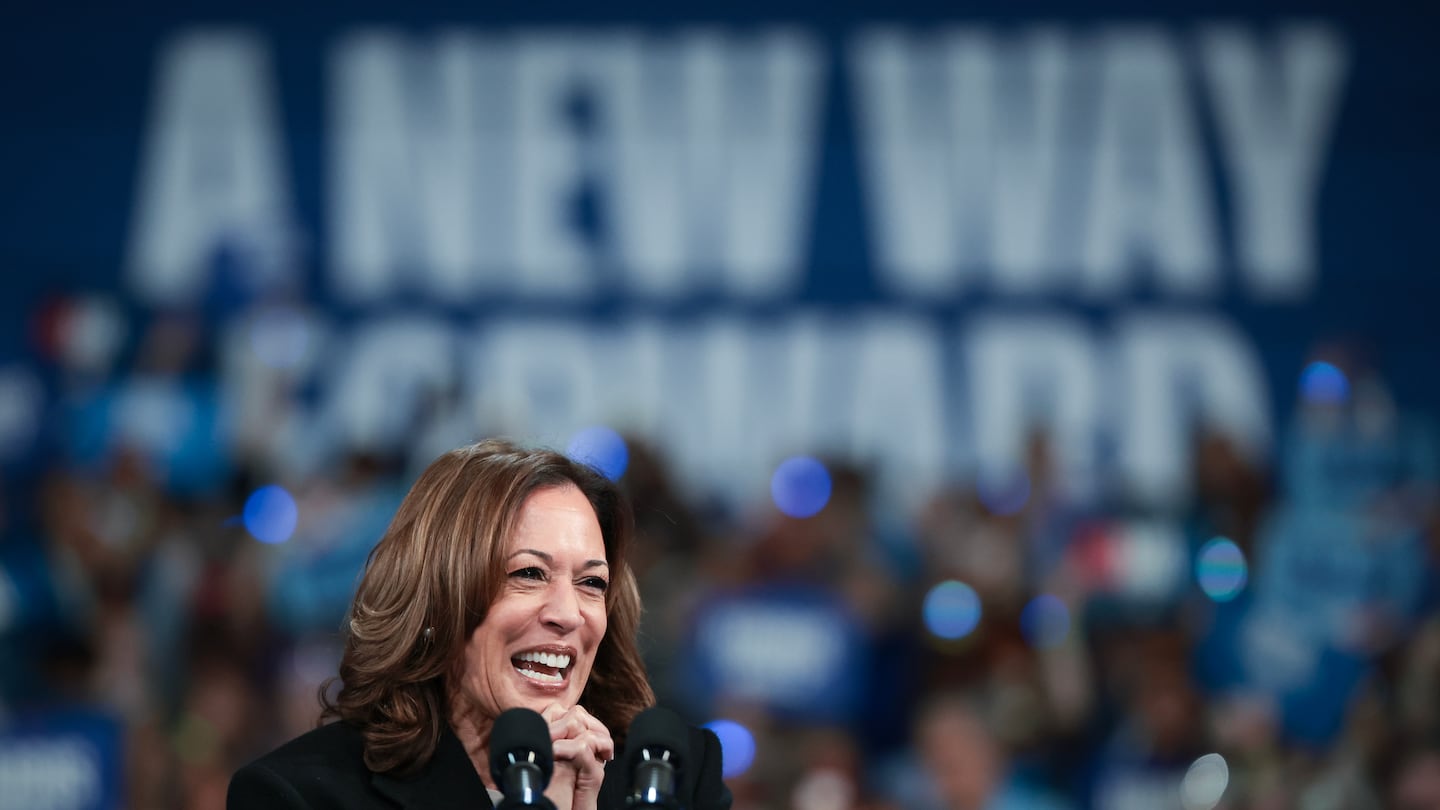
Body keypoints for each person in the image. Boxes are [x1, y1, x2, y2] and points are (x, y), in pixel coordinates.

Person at [227, 439, 731, 810]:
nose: (567, 613)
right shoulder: (301, 796)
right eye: (529, 574)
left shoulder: (674, 778)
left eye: (592, 583)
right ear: (438, 600)